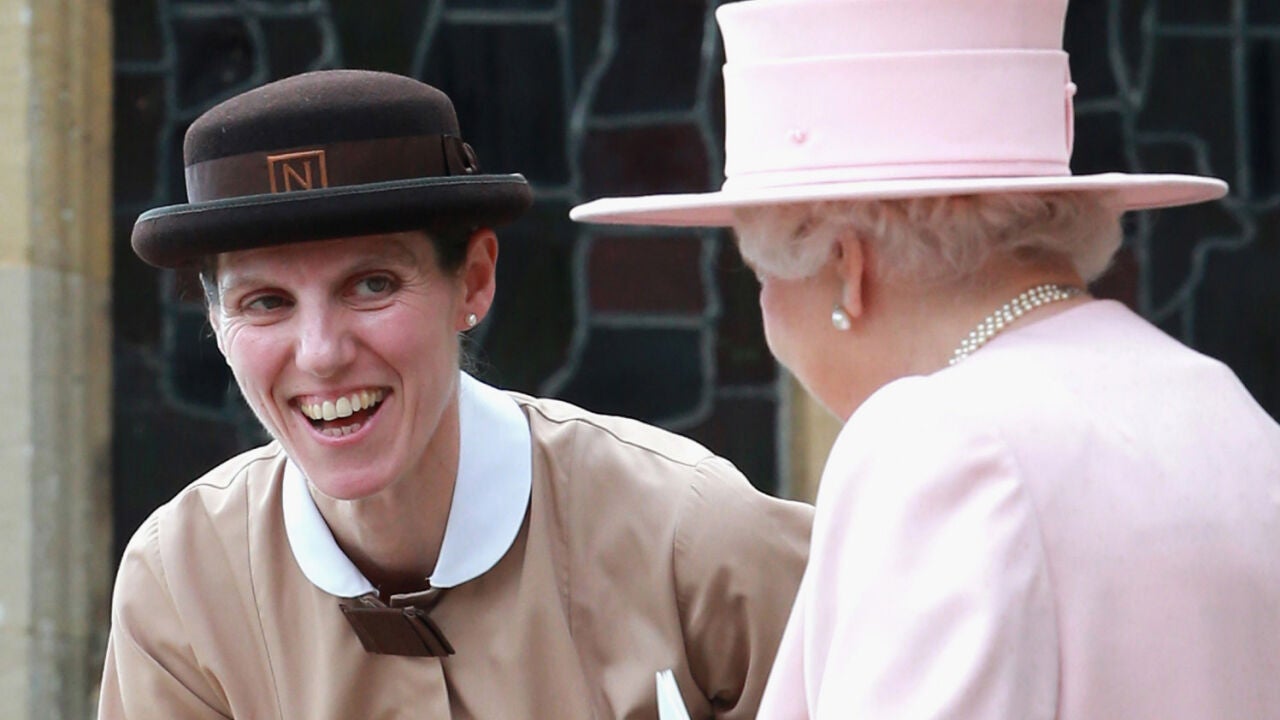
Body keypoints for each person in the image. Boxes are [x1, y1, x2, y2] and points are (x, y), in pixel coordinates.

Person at [571, 0, 1280, 717]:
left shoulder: (939, 443)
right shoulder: (1221, 405)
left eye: (761, 273)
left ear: (846, 267)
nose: (766, 313)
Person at [100, 69, 812, 719]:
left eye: (371, 284)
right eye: (265, 302)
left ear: (473, 280)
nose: (321, 354)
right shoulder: (179, 587)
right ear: (216, 322)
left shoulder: (696, 540)